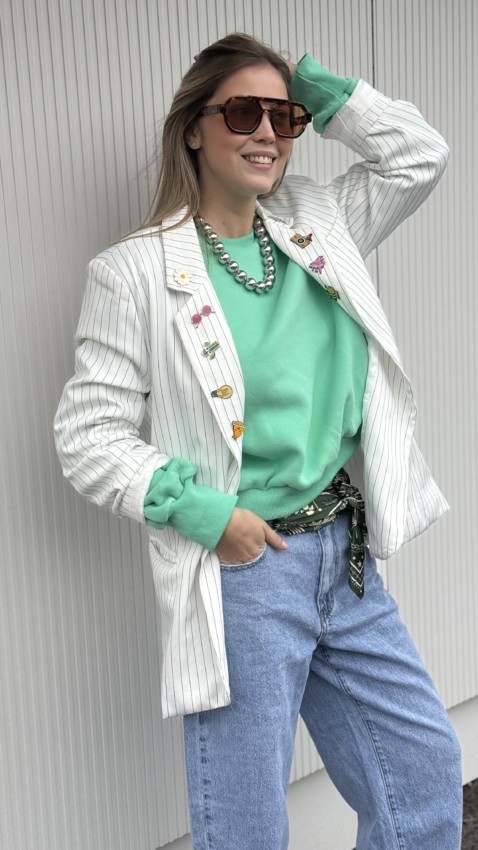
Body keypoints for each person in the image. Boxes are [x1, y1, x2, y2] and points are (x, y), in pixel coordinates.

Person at [54, 32, 462, 850]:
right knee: (247, 825)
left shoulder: (319, 222)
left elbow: (419, 156)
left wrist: (315, 85)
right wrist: (212, 517)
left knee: (422, 770)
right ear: (193, 129)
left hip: (345, 557)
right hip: (245, 571)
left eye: (285, 115)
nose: (269, 132)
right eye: (244, 112)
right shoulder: (133, 274)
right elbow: (87, 436)